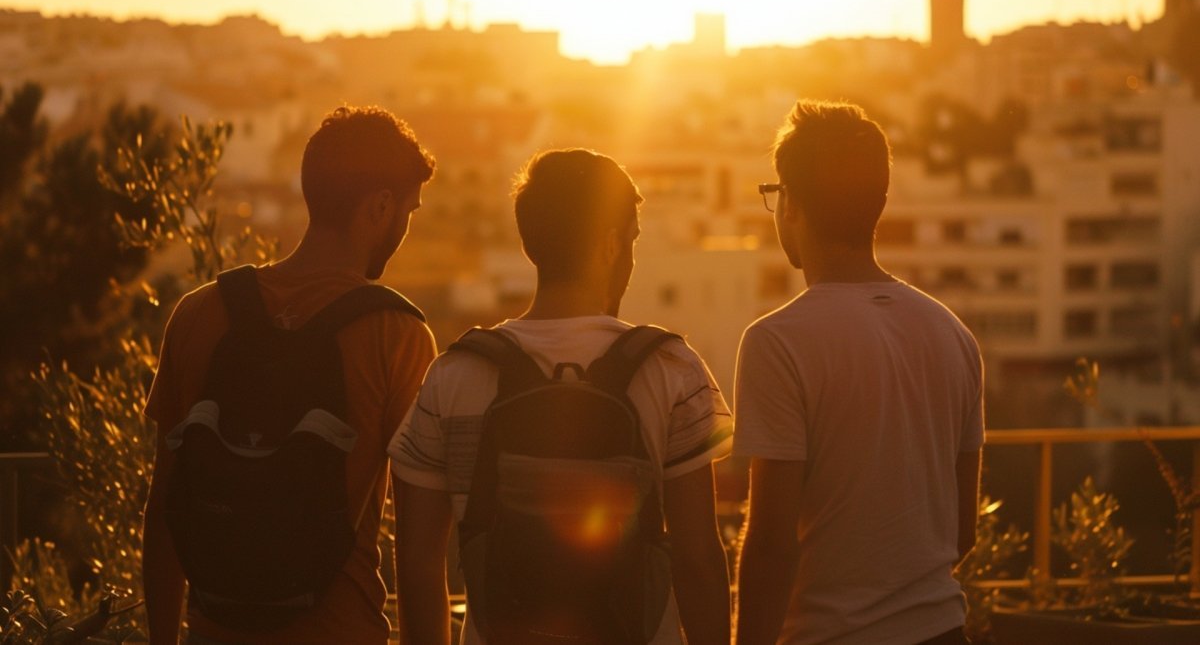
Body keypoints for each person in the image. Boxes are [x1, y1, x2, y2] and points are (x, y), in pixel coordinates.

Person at [388, 148, 733, 645]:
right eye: (632, 240)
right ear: (611, 245)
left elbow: (420, 564)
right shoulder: (670, 369)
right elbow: (698, 559)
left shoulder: (455, 375)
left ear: (533, 244)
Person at [141, 106, 437, 645]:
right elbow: (417, 546)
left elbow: (164, 508)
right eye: (408, 211)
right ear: (380, 206)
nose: (405, 227)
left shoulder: (199, 313)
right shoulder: (397, 333)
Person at [734, 101, 983, 645]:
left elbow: (773, 544)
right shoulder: (953, 335)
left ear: (791, 204)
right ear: (880, 204)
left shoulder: (777, 343)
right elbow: (962, 531)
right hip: (943, 629)